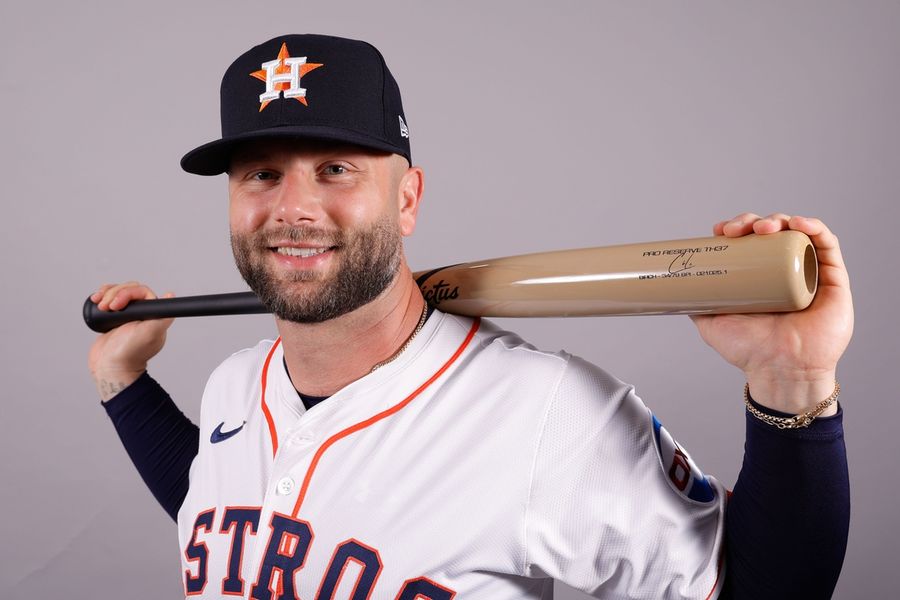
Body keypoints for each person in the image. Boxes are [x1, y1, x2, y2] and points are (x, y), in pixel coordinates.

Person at [88, 34, 851, 599]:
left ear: (409, 197)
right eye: (261, 174)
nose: (292, 207)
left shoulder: (541, 411)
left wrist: (794, 379)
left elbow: (759, 588)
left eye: (336, 169)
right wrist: (125, 382)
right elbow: (217, 507)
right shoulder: (233, 385)